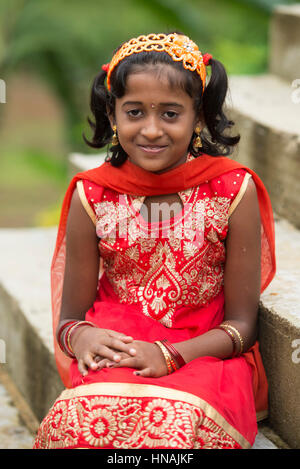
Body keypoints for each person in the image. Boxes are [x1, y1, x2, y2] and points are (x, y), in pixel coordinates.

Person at [33, 32, 276, 449]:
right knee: (81, 423)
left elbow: (242, 326)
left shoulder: (232, 191)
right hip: (120, 352)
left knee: (172, 431)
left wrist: (168, 355)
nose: (150, 130)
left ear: (198, 117)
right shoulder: (91, 195)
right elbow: (69, 319)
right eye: (134, 112)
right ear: (112, 116)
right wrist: (83, 337)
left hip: (203, 355)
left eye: (169, 114)